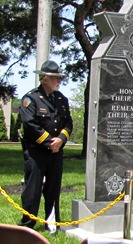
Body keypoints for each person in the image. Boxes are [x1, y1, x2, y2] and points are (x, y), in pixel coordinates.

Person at [18, 60, 73, 230]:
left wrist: (61, 140)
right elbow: (30, 124)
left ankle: (52, 224)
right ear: (45, 79)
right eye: (56, 78)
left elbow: (68, 123)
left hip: (56, 152)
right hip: (37, 152)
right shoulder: (31, 99)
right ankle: (28, 225)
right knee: (32, 191)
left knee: (53, 189)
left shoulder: (61, 99)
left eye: (60, 78)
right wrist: (50, 142)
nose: (59, 81)